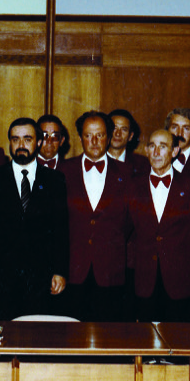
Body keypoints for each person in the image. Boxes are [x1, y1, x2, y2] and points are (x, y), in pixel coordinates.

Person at [0, 117, 69, 320]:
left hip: (42, 277)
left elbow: (61, 230)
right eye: (15, 139)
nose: (21, 145)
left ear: (39, 142)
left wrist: (60, 272)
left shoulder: (55, 180)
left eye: (27, 139)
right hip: (3, 277)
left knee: (38, 332)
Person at [58, 111, 132, 322]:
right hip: (73, 270)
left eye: (100, 135)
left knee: (109, 333)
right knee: (71, 333)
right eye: (88, 135)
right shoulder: (63, 171)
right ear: (80, 138)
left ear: (108, 137)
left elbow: (130, 223)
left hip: (111, 270)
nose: (94, 141)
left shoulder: (127, 174)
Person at [128, 129, 190, 322]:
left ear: (174, 151)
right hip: (144, 279)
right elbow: (128, 230)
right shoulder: (133, 185)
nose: (156, 152)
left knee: (179, 336)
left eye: (162, 147)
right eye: (152, 146)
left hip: (181, 280)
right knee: (144, 336)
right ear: (146, 150)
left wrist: (180, 256)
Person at [108, 109, 149, 177]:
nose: (118, 134)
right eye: (114, 128)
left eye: (124, 130)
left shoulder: (142, 165)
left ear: (130, 136)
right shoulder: (94, 161)